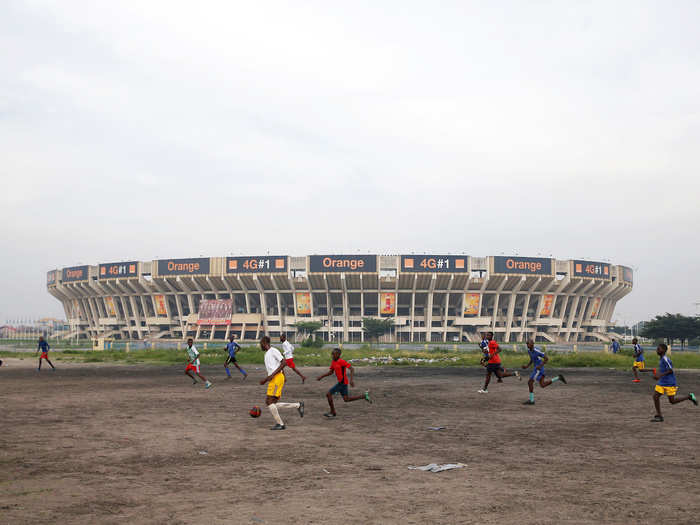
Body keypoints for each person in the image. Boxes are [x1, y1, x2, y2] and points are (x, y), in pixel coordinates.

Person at [259, 336, 303, 430]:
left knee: (270, 402)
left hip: (276, 378)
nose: (260, 346)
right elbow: (279, 365)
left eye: (260, 344)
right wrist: (269, 378)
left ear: (264, 343)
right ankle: (298, 405)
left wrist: (270, 377)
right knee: (271, 403)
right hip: (274, 379)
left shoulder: (273, 350)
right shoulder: (266, 354)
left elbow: (284, 363)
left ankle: (281, 424)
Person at [317, 348, 372, 418]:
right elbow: (331, 372)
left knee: (328, 394)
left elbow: (352, 369)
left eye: (334, 354)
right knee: (346, 399)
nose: (332, 355)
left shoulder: (342, 362)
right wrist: (321, 376)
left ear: (338, 355)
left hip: (342, 383)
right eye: (332, 354)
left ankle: (333, 412)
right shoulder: (333, 362)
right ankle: (363, 396)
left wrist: (351, 380)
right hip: (342, 383)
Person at [650, 343, 697, 422]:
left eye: (659, 349)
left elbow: (670, 370)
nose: (657, 350)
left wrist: (660, 375)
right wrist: (658, 375)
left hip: (670, 383)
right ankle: (659, 415)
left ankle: (689, 397)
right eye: (657, 349)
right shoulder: (661, 359)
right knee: (655, 396)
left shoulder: (665, 359)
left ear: (664, 350)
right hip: (662, 382)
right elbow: (663, 369)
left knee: (672, 401)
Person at [521, 340, 566, 405]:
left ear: (532, 344)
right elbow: (532, 359)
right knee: (543, 385)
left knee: (530, 382)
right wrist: (527, 366)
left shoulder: (537, 351)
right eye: (527, 344)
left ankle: (531, 400)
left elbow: (546, 358)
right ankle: (558, 378)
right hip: (536, 368)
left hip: (539, 369)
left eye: (528, 344)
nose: (527, 345)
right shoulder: (529, 351)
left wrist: (540, 366)